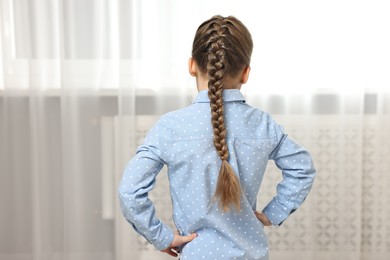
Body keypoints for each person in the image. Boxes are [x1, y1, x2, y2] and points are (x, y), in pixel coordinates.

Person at [118, 15, 316, 259]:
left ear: (192, 66)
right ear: (245, 73)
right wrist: (274, 212)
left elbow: (129, 191)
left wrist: (161, 237)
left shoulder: (170, 127)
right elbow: (302, 168)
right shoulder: (261, 124)